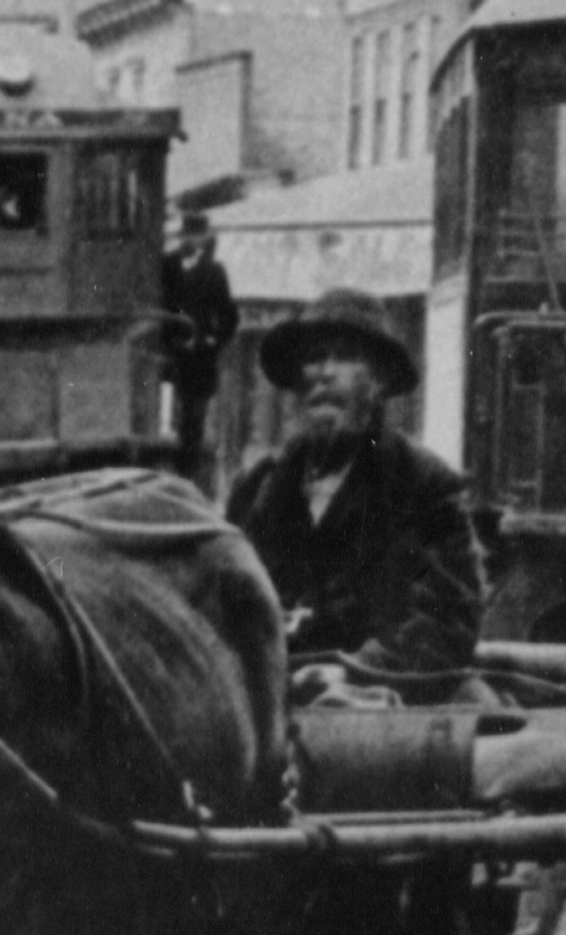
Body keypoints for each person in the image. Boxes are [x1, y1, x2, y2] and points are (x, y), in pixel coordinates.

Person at [225, 293, 483, 682]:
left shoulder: (423, 485)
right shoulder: (257, 489)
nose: (325, 373)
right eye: (313, 359)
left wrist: (353, 672)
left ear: (379, 382)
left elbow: (447, 625)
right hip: (270, 702)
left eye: (345, 357)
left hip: (381, 709)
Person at [157, 212, 239, 481]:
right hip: (170, 354)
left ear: (204, 238)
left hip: (200, 359)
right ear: (182, 237)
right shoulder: (166, 266)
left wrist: (214, 339)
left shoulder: (215, 272)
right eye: (189, 234)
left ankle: (187, 477)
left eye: (198, 235)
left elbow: (229, 316)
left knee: (194, 421)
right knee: (168, 418)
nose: (194, 240)